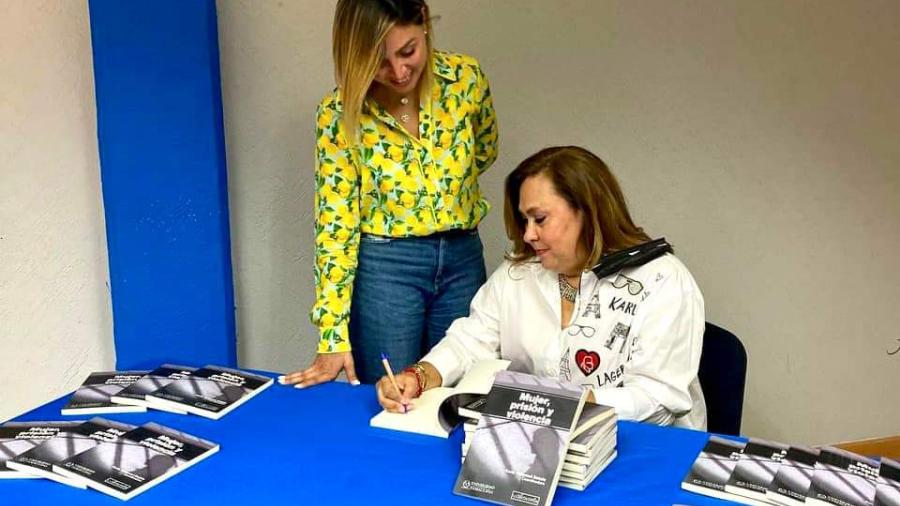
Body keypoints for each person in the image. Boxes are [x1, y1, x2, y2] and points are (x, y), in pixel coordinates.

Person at [376, 146, 707, 430]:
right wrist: (422, 374)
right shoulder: (520, 273)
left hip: (640, 451)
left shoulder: (663, 281)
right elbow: (471, 341)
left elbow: (658, 403)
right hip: (538, 449)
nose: (528, 235)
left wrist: (562, 403)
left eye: (540, 219)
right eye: (525, 221)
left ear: (588, 212)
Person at [282, 0, 499, 387]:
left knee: (464, 392)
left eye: (408, 51)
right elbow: (335, 224)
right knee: (392, 396)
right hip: (386, 269)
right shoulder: (338, 114)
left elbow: (484, 151)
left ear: (425, 25)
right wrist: (332, 335)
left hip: (463, 258)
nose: (398, 72)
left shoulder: (466, 79)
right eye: (379, 61)